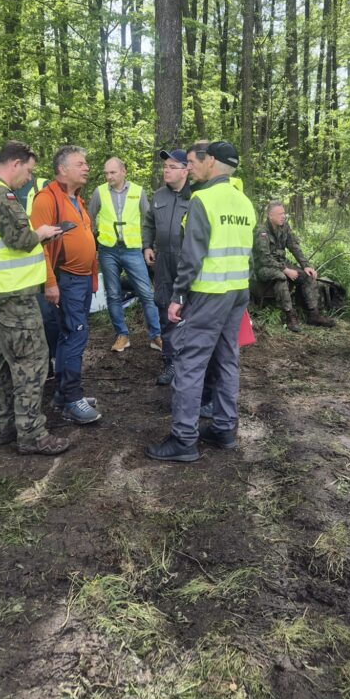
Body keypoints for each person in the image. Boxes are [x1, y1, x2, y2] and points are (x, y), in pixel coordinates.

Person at [146, 141, 256, 462]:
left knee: (190, 363)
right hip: (237, 292)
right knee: (227, 359)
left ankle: (183, 439)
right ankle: (224, 428)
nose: (190, 167)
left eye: (194, 161)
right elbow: (249, 255)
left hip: (208, 294)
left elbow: (191, 256)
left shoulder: (203, 200)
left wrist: (178, 295)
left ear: (211, 161)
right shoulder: (244, 202)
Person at [0, 140, 69, 455]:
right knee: (31, 362)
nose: (29, 177)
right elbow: (20, 239)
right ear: (15, 164)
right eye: (28, 170)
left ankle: (3, 427)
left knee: (0, 364)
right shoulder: (1, 195)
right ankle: (32, 434)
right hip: (13, 296)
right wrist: (42, 233)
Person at [30, 146, 102, 425]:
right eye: (80, 164)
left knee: (67, 336)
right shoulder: (47, 199)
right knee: (75, 336)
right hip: (66, 280)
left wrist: (92, 278)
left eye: (86, 163)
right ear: (62, 169)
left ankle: (62, 394)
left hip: (81, 281)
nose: (86, 168)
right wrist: (50, 283)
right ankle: (73, 399)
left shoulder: (77, 199)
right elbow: (39, 246)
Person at [88, 157, 162, 353]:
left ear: (123, 171)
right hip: (108, 250)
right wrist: (92, 242)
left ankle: (156, 336)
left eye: (112, 172)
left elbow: (148, 221)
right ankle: (122, 335)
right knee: (113, 294)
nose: (108, 176)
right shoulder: (100, 192)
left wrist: (147, 246)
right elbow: (89, 219)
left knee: (146, 293)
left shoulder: (138, 191)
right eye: (106, 173)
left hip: (132, 250)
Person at [142, 148, 191, 385]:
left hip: (187, 261)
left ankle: (189, 362)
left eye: (172, 167)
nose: (166, 171)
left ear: (185, 171)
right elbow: (149, 223)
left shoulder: (196, 196)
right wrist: (146, 246)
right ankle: (170, 362)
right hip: (162, 261)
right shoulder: (159, 196)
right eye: (165, 167)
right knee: (164, 307)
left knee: (188, 309)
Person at [253, 200, 335, 331]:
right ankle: (289, 316)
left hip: (281, 263)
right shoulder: (261, 231)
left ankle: (314, 314)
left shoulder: (284, 227)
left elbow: (294, 247)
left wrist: (306, 265)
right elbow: (264, 258)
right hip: (264, 267)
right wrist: (285, 270)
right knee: (281, 277)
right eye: (280, 214)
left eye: (283, 213)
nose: (283, 216)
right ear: (270, 215)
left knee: (307, 276)